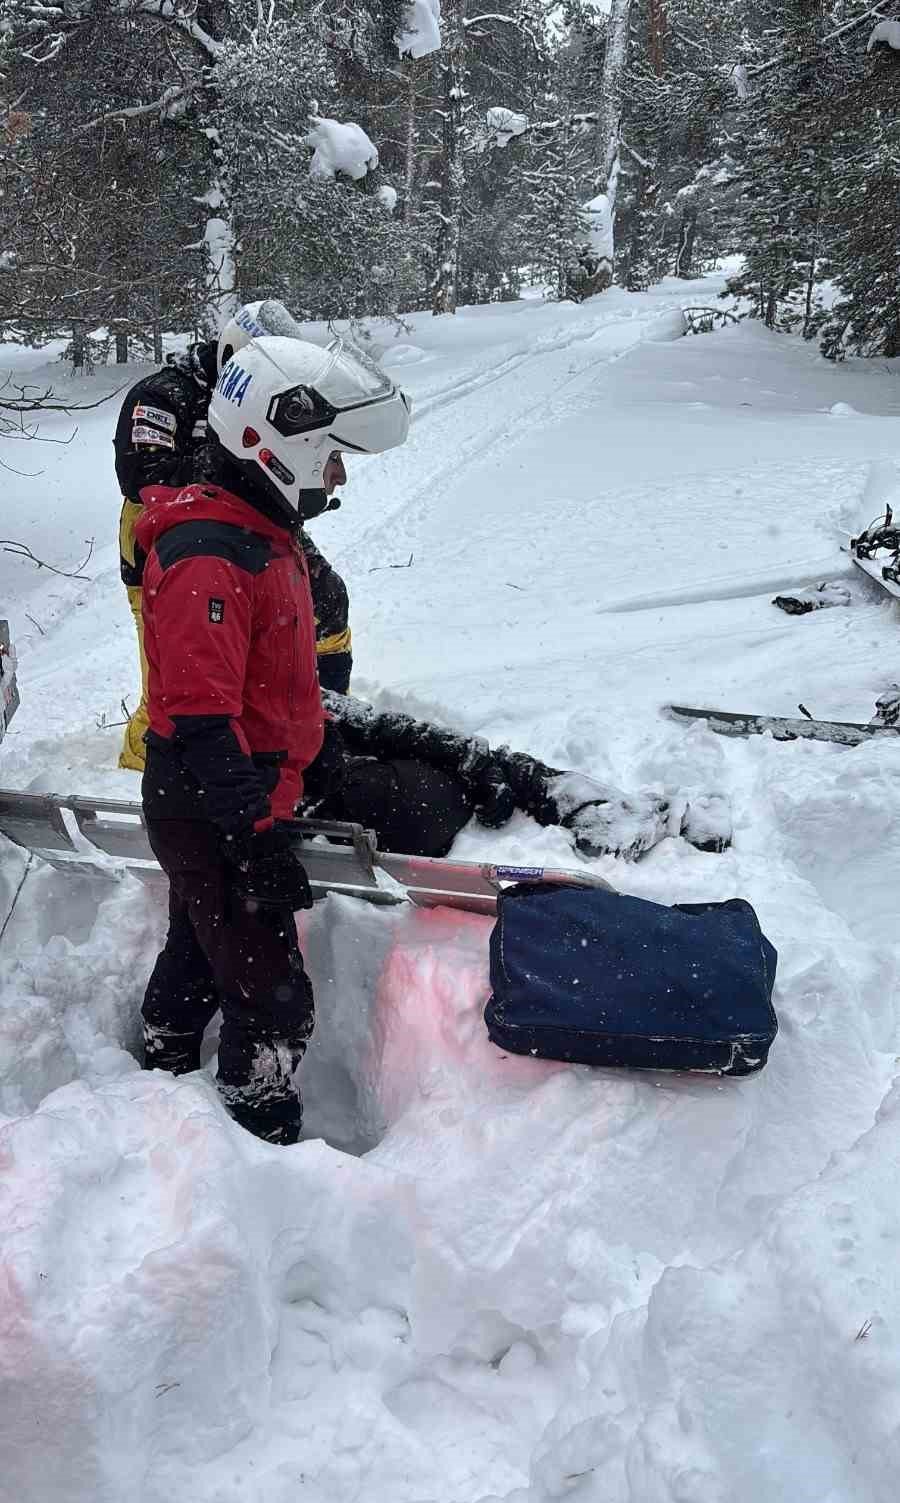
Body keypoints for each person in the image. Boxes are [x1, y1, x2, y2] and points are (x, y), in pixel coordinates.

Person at [137, 335, 411, 1144]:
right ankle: (261, 1139)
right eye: (332, 456)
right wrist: (253, 837)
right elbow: (197, 718)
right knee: (272, 997)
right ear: (278, 443)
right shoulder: (209, 556)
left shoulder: (256, 532)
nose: (339, 475)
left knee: (198, 942)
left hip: (234, 792)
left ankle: (158, 1074)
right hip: (212, 797)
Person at [113, 301, 353, 771]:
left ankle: (323, 718)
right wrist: (239, 464)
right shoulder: (163, 397)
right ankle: (146, 767)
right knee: (175, 678)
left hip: (254, 528)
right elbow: (144, 475)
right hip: (167, 545)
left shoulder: (275, 393)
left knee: (327, 602)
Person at [302, 692, 731, 860]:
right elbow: (371, 725)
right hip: (379, 807)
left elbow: (366, 721)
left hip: (367, 798)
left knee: (475, 762)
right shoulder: (259, 701)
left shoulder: (276, 691)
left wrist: (471, 756)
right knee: (468, 768)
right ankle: (597, 811)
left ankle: (597, 810)